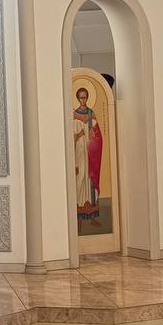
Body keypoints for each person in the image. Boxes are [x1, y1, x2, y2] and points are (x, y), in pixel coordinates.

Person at [74, 87, 104, 227]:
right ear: (77, 98)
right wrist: (79, 135)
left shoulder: (91, 114)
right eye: (81, 97)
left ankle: (92, 218)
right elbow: (70, 137)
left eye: (85, 97)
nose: (83, 100)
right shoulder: (74, 115)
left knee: (91, 182)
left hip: (90, 153)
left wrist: (94, 135)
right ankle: (79, 219)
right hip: (80, 153)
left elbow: (98, 135)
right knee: (80, 180)